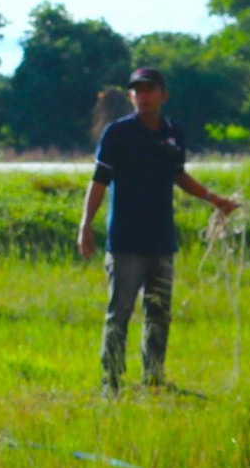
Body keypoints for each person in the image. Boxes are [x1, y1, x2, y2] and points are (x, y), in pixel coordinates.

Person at [77, 67, 238, 394]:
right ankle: (112, 383)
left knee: (159, 314)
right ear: (131, 96)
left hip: (161, 241)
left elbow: (178, 174)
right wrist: (85, 226)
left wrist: (213, 198)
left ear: (163, 95)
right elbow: (99, 182)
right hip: (125, 243)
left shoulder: (174, 132)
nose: (143, 96)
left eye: (149, 89)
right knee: (119, 314)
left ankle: (153, 378)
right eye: (137, 91)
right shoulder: (117, 134)